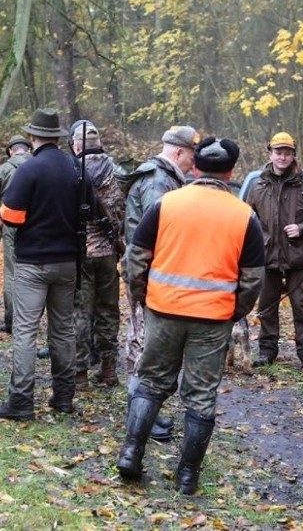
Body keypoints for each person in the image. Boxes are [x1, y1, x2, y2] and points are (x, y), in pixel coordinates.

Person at [116, 137, 265, 494]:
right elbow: (254, 278)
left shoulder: (167, 204)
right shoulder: (244, 215)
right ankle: (187, 476)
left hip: (164, 310)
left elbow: (135, 258)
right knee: (200, 396)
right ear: (230, 172)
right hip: (213, 319)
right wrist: (234, 311)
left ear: (196, 168)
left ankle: (131, 453)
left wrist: (144, 298)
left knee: (150, 382)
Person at [0, 108, 94, 421]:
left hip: (32, 264)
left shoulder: (29, 169)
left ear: (33, 136)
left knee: (25, 332)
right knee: (62, 331)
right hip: (67, 263)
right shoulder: (77, 168)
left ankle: (21, 401)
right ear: (57, 137)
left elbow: (10, 217)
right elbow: (87, 213)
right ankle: (63, 397)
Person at [115, 125, 199, 440]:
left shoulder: (163, 178)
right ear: (179, 152)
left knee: (147, 341)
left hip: (151, 272)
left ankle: (144, 409)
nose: (193, 163)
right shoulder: (158, 183)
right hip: (148, 273)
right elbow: (158, 234)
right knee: (143, 343)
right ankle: (140, 412)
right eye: (191, 156)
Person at [248, 132, 303, 373]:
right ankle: (267, 351)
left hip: (299, 256)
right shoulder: (258, 184)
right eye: (278, 152)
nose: (282, 157)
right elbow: (249, 219)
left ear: (294, 155)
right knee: (267, 306)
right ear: (270, 153)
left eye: (287, 152)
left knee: (301, 307)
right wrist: (258, 240)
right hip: (267, 255)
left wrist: (302, 229)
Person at [70, 121, 125, 389]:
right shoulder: (118, 170)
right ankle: (109, 370)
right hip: (109, 252)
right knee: (108, 312)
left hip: (81, 253)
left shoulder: (72, 171)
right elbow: (124, 210)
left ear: (77, 145)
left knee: (80, 312)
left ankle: (79, 375)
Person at [0, 135, 32, 333]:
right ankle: (31, 320)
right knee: (37, 273)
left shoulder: (3, 170)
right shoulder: (39, 166)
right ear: (28, 149)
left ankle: (11, 321)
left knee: (12, 273)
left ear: (10, 151)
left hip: (11, 227)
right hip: (38, 227)